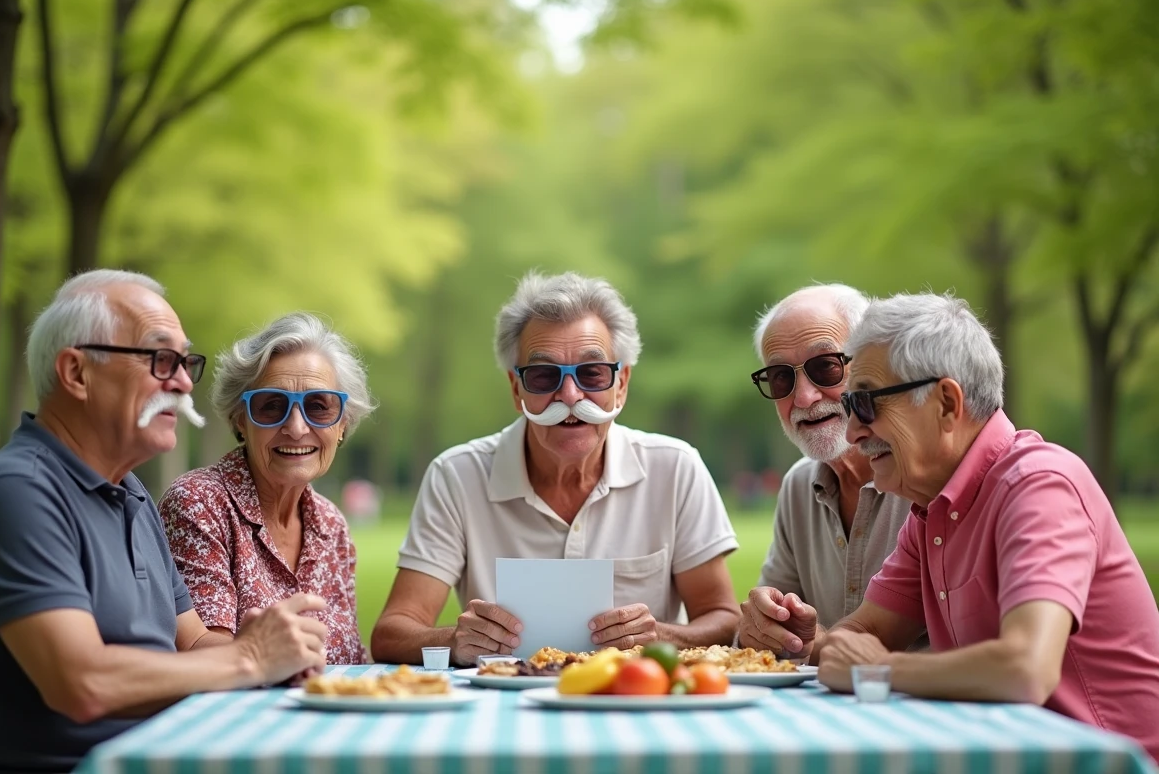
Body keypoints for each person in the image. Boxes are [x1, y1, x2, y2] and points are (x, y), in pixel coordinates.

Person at [0, 271, 329, 773]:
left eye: (184, 362)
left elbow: (193, 642)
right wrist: (252, 660)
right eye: (159, 360)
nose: (180, 382)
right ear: (76, 373)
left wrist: (275, 651)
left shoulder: (129, 490)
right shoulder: (16, 491)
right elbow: (81, 683)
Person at [813, 292, 1159, 762]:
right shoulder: (930, 508)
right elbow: (857, 635)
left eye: (865, 404)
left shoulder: (1039, 486)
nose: (851, 432)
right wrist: (847, 651)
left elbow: (1025, 667)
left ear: (947, 404)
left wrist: (878, 670)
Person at [371, 271, 740, 665]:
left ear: (622, 383)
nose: (569, 395)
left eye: (592, 373)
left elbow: (724, 619)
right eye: (545, 375)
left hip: (636, 700)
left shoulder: (675, 468)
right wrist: (455, 640)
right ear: (517, 390)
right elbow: (392, 633)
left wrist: (659, 635)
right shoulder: (457, 476)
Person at [159, 313, 376, 664]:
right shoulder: (200, 504)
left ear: (342, 424)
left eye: (318, 407)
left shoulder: (332, 524)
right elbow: (201, 657)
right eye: (270, 406)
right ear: (239, 420)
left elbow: (351, 658)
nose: (295, 427)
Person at [738, 284, 916, 657]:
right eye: (782, 377)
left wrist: (816, 646)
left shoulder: (925, 478)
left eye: (826, 367)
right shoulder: (799, 485)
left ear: (870, 366)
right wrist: (762, 623)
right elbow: (768, 638)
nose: (804, 397)